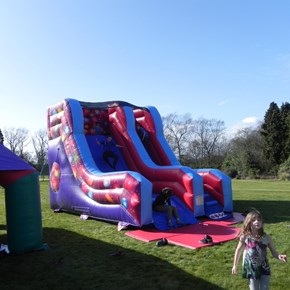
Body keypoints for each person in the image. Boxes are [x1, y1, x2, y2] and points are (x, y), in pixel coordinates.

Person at [232, 208, 287, 290]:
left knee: (265, 288)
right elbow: (238, 250)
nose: (257, 221)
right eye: (254, 220)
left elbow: (274, 252)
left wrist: (279, 256)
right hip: (251, 268)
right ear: (249, 222)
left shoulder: (266, 237)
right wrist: (235, 265)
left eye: (259, 220)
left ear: (262, 222)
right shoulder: (245, 237)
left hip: (264, 267)